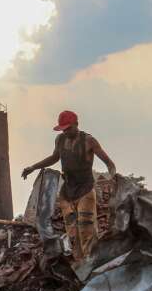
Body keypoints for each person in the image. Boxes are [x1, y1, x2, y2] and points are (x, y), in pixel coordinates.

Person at [21, 110, 116, 261]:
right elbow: (54, 157)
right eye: (63, 129)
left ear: (76, 125)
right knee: (72, 233)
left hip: (85, 190)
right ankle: (79, 263)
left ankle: (91, 263)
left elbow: (109, 163)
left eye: (68, 128)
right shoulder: (60, 140)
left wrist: (113, 176)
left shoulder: (88, 141)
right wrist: (33, 167)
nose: (66, 132)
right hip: (67, 192)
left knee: (86, 230)